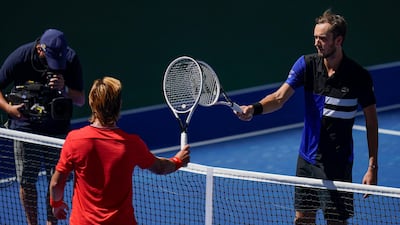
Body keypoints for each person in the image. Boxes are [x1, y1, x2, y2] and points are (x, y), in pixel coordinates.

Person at [237, 9, 378, 225]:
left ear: (338, 40)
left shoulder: (359, 76)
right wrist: (254, 109)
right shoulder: (306, 64)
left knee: (336, 222)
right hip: (306, 161)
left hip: (337, 165)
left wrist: (372, 167)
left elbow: (371, 122)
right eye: (315, 37)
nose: (316, 43)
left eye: (322, 38)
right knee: (302, 220)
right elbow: (278, 97)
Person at [49, 76, 191, 224]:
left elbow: (56, 183)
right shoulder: (132, 144)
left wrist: (56, 204)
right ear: (119, 105)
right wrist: (178, 160)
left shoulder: (74, 140)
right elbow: (160, 168)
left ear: (92, 103)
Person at [0, 29, 85, 225]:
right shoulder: (20, 57)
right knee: (27, 180)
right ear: (40, 49)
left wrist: (63, 89)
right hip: (24, 126)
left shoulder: (70, 59)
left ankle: (51, 223)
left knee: (56, 180)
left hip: (56, 129)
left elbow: (80, 99)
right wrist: (8, 108)